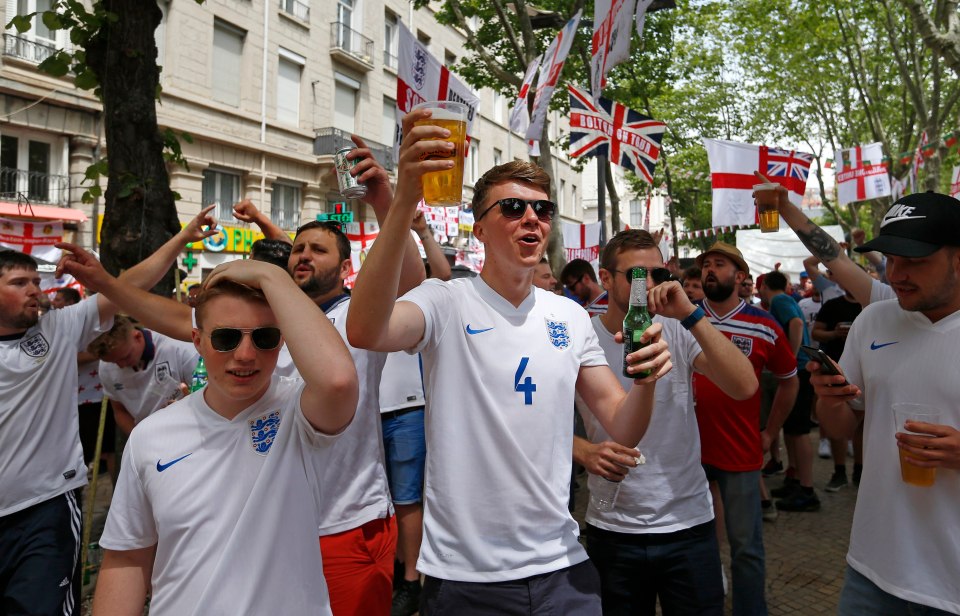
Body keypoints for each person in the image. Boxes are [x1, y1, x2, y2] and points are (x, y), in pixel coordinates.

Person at [346, 108, 673, 614]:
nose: (531, 219)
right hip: (465, 576)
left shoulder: (568, 314)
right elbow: (365, 330)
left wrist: (646, 379)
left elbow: (622, 427)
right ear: (479, 229)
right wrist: (404, 198)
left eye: (542, 210)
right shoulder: (446, 300)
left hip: (562, 567)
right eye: (513, 207)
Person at [87, 259, 359, 615]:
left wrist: (269, 274)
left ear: (283, 341)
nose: (245, 355)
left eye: (265, 338)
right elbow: (128, 557)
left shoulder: (300, 412)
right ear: (197, 342)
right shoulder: (150, 435)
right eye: (226, 338)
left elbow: (339, 380)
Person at [0, 209, 216, 616]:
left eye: (36, 281)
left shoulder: (56, 330)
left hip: (44, 509)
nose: (35, 290)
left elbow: (130, 285)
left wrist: (183, 238)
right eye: (19, 283)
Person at [574, 231, 757, 615]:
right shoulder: (582, 336)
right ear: (605, 279)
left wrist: (691, 314)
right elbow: (537, 419)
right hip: (614, 525)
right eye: (637, 275)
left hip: (686, 522)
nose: (650, 284)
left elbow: (744, 386)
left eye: (658, 273)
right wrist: (583, 450)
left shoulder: (676, 326)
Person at [810, 192, 960, 614]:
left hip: (951, 587)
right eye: (891, 259)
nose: (897, 274)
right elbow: (840, 427)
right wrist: (829, 399)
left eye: (915, 260)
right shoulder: (873, 320)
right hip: (871, 571)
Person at [693, 242, 799, 616]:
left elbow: (789, 380)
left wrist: (770, 433)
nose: (709, 270)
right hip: (689, 453)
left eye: (718, 264)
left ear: (740, 278)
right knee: (695, 546)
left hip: (740, 452)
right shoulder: (682, 318)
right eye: (705, 264)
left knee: (746, 548)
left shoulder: (765, 325)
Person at [386, 208, 451, 616]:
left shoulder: (421, 298)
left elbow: (442, 276)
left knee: (408, 498)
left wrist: (421, 230)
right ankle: (396, 568)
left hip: (408, 409)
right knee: (388, 499)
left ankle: (412, 579)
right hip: (368, 413)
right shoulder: (364, 297)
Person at [759, 270, 819, 512]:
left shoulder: (780, 300)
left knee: (799, 431)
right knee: (793, 431)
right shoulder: (782, 301)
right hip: (800, 369)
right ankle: (795, 480)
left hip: (800, 371)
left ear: (764, 287)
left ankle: (806, 488)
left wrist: (791, 359)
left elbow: (795, 324)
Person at [88, 316, 199, 435]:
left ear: (138, 337)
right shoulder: (105, 368)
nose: (121, 365)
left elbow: (205, 397)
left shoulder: (178, 348)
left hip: (189, 429)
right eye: (114, 362)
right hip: (148, 435)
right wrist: (138, 438)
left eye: (126, 357)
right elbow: (119, 411)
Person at [811, 284, 863, 491]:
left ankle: (860, 470)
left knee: (863, 422)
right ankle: (839, 471)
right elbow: (816, 333)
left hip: (864, 367)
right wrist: (834, 333)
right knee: (834, 415)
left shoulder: (871, 306)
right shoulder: (832, 305)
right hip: (834, 366)